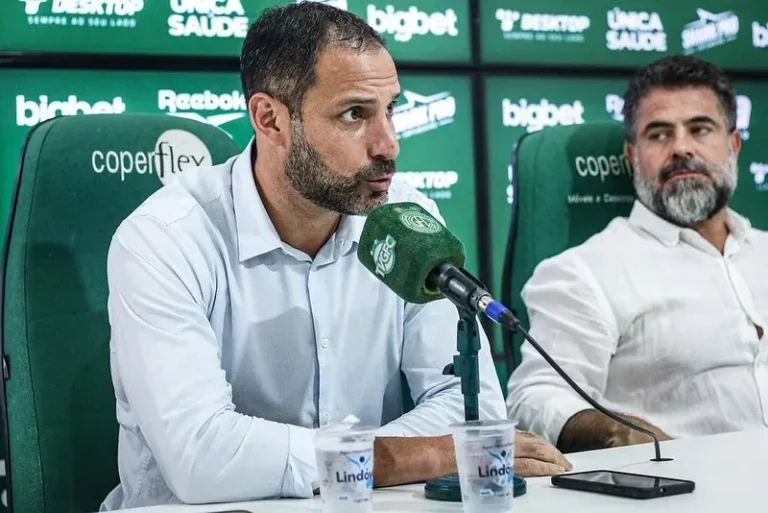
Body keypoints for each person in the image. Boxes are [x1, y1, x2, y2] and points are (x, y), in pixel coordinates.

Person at [100, 3, 570, 510]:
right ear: (271, 119)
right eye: (355, 114)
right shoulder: (164, 239)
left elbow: (468, 407)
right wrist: (416, 456)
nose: (388, 143)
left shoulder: (408, 218)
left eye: (391, 108)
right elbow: (202, 459)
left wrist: (369, 462)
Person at [506, 55, 768, 454]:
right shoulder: (584, 272)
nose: (681, 148)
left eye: (700, 129)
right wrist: (616, 432)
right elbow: (535, 399)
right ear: (632, 156)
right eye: (659, 135)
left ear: (732, 145)